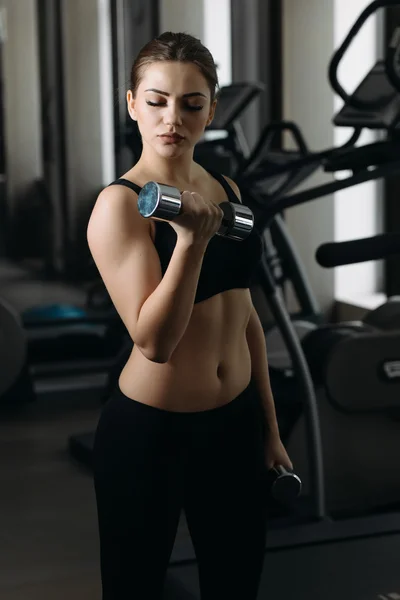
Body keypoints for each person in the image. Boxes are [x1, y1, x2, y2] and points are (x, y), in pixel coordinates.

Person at [90, 31, 293, 600]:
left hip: (233, 425)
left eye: (191, 103)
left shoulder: (226, 188)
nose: (171, 118)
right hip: (150, 432)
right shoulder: (121, 204)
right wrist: (189, 243)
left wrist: (268, 429)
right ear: (132, 104)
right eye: (155, 101)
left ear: (212, 109)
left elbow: (243, 314)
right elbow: (154, 341)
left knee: (236, 583)